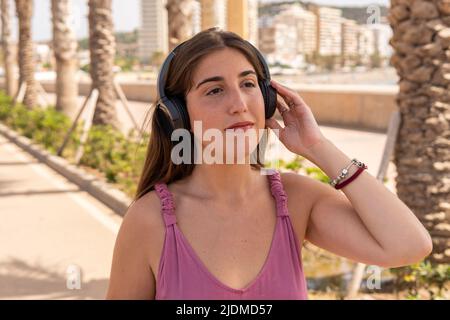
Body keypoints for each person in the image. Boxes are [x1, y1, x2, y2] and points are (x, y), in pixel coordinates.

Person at [106, 28, 432, 300]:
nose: (239, 104)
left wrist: (318, 147)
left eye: (248, 84)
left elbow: (408, 246)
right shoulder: (151, 220)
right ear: (179, 114)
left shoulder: (295, 199)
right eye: (215, 90)